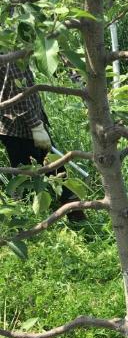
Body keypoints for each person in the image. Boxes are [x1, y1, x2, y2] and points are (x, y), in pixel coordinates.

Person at [0, 60, 84, 219]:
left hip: (13, 125)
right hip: (20, 126)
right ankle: (75, 217)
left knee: (26, 172)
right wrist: (35, 126)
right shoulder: (12, 50)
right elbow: (20, 93)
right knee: (50, 168)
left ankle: (23, 217)